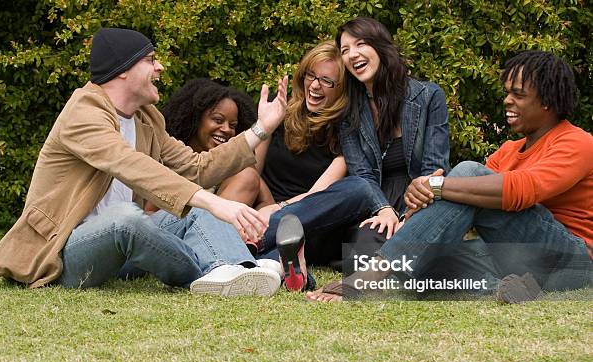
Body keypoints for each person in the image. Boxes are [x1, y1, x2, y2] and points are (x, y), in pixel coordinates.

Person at [0, 27, 289, 297]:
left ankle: (238, 267)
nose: (160, 67)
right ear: (123, 69)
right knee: (125, 218)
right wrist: (214, 201)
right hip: (65, 253)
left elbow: (197, 168)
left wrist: (260, 129)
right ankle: (210, 272)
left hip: (123, 251)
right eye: (151, 59)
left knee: (194, 211)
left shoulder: (147, 118)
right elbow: (128, 163)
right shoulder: (83, 113)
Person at [308, 50, 593, 302]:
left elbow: (521, 190)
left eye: (518, 94)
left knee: (467, 173)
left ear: (548, 102)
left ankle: (371, 277)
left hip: (571, 258)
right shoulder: (508, 151)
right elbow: (465, 203)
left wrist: (434, 185)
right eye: (506, 92)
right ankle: (507, 289)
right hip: (515, 257)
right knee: (426, 259)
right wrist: (419, 202)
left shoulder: (577, 143)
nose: (507, 101)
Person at [251, 41, 374, 291]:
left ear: (343, 89)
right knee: (287, 240)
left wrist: (276, 210)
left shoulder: (347, 132)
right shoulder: (281, 108)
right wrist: (264, 203)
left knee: (359, 189)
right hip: (264, 213)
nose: (315, 86)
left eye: (327, 81)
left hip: (311, 221)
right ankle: (278, 265)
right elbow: (252, 169)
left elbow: (317, 196)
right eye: (311, 75)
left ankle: (257, 249)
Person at [331, 17, 451, 269]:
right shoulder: (348, 114)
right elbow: (362, 174)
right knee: (360, 250)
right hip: (376, 205)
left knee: (419, 250)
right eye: (344, 50)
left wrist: (411, 216)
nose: (352, 55)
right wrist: (383, 209)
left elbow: (434, 168)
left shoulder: (428, 97)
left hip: (421, 201)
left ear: (380, 46)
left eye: (360, 44)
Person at [159, 78, 260, 207]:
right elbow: (149, 211)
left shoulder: (233, 164)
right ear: (195, 118)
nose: (226, 129)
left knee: (248, 174)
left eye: (233, 125)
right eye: (218, 120)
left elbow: (266, 201)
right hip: (176, 224)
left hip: (221, 223)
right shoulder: (174, 158)